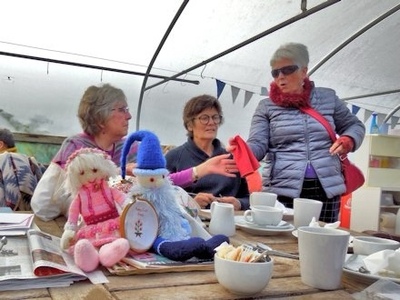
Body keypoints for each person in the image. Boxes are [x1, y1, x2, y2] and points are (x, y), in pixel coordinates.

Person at [32, 84, 235, 221]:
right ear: (100, 115)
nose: (129, 115)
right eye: (122, 109)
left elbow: (158, 184)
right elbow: (43, 205)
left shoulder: (130, 148)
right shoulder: (75, 148)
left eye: (128, 109)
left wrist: (198, 171)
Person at [237, 42, 365, 222]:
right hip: (283, 189)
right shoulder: (266, 107)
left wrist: (348, 139)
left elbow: (355, 125)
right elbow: (258, 143)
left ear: (304, 71)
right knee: (285, 242)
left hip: (327, 187)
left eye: (288, 70)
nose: (281, 77)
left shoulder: (328, 97)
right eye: (275, 72)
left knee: (323, 239)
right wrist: (240, 153)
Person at [165, 94, 250, 211]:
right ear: (189, 125)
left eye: (215, 117)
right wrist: (191, 203)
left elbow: (249, 197)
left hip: (229, 222)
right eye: (204, 118)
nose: (211, 122)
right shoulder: (173, 157)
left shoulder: (231, 158)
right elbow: (161, 196)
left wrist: (239, 203)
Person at [0, 128, 43, 210]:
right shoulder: (30, 161)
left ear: (0, 144)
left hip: (4, 215)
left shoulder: (2, 160)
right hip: (31, 213)